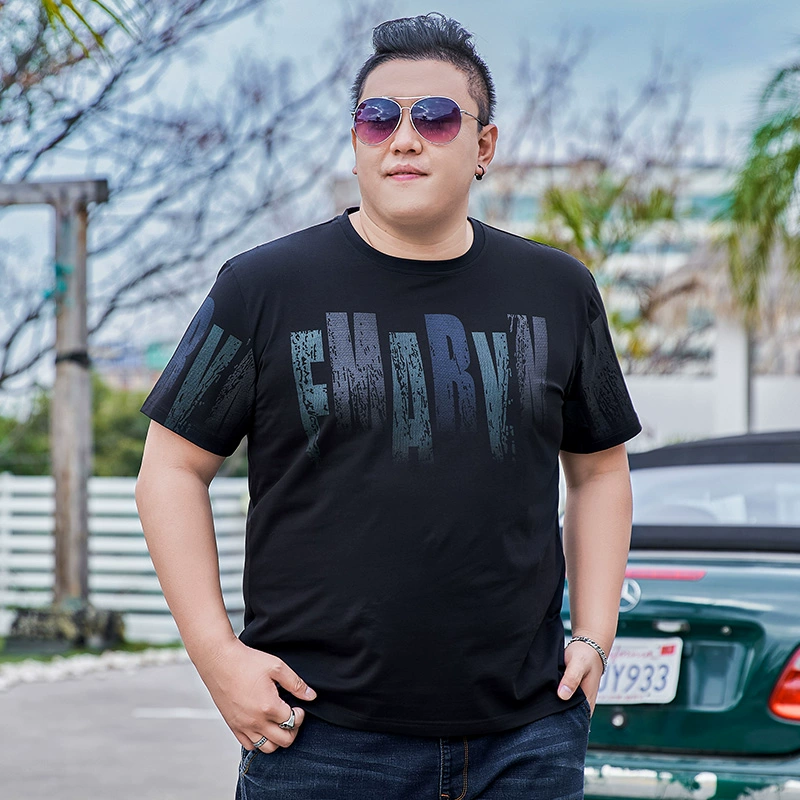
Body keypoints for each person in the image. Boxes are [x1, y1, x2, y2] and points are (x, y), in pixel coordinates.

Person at [135, 12, 642, 800]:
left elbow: (601, 471)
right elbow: (170, 470)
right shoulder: (262, 287)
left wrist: (595, 639)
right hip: (319, 736)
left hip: (526, 738)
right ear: (356, 140)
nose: (404, 139)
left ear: (484, 146)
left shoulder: (558, 291)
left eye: (435, 118)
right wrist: (217, 656)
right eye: (378, 118)